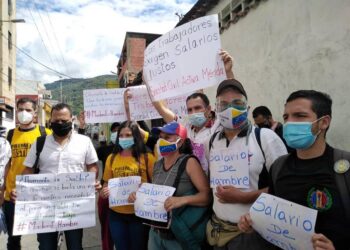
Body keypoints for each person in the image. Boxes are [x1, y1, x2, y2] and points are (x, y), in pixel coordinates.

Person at [239, 90, 350, 250]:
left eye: (299, 116)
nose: (289, 123)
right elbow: (272, 216)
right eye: (286, 117)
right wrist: (253, 223)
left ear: (324, 122)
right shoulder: (278, 167)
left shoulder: (344, 169)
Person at [205, 79, 287, 249]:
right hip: (217, 231)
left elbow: (285, 188)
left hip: (252, 235)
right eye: (224, 104)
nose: (231, 109)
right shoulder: (212, 142)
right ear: (217, 110)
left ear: (247, 108)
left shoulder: (264, 138)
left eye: (237, 103)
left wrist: (243, 197)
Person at [21, 103, 100, 250]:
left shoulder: (84, 142)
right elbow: (28, 169)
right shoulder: (39, 142)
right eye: (56, 121)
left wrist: (91, 181)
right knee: (46, 246)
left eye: (64, 121)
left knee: (75, 246)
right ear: (51, 120)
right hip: (45, 207)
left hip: (74, 206)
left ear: (72, 119)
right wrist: (23, 188)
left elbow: (92, 166)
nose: (60, 123)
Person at [145, 51, 234, 172]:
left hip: (220, 183)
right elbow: (162, 109)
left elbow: (233, 99)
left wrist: (228, 72)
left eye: (197, 108)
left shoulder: (220, 124)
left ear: (208, 109)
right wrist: (149, 83)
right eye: (189, 110)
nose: (193, 112)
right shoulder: (185, 129)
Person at [130, 121, 211, 250]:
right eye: (160, 137)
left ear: (180, 142)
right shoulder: (157, 165)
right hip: (155, 234)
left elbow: (207, 196)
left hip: (179, 235)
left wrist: (182, 200)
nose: (161, 141)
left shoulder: (189, 162)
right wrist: (140, 195)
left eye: (167, 137)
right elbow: (156, 195)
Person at [3, 97, 51, 250]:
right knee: (13, 239)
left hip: (39, 196)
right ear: (16, 112)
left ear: (35, 113)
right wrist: (2, 190)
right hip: (13, 196)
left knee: (44, 240)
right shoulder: (10, 135)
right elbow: (6, 164)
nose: (24, 113)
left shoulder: (46, 133)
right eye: (21, 110)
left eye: (28, 110)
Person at [100, 121, 155, 250]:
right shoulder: (111, 158)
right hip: (116, 214)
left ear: (136, 136)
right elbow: (106, 183)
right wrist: (104, 191)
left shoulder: (148, 158)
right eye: (121, 135)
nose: (124, 138)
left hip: (139, 214)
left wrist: (141, 192)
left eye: (128, 135)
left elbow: (156, 185)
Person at [96, 122, 120, 250]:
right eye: (115, 131)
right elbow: (88, 157)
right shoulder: (105, 150)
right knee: (106, 231)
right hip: (107, 194)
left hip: (126, 199)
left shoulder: (139, 153)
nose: (118, 134)